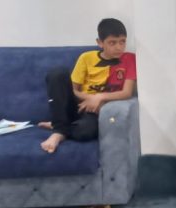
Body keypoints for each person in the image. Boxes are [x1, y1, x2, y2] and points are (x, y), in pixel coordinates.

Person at [39, 18, 137, 154]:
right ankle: (59, 131)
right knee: (57, 74)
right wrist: (91, 98)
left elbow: (127, 92)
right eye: (112, 43)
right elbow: (73, 90)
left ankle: (61, 127)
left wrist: (99, 98)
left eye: (122, 41)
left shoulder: (129, 59)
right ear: (100, 42)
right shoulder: (86, 58)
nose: (119, 47)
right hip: (77, 105)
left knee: (85, 132)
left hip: (95, 111)